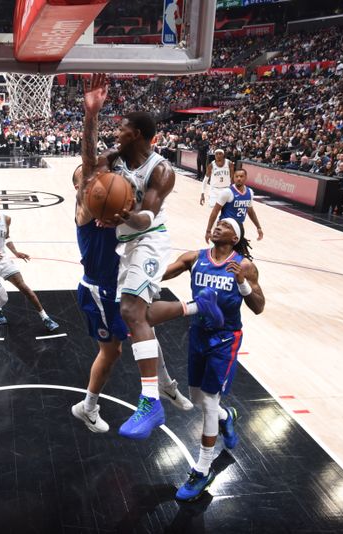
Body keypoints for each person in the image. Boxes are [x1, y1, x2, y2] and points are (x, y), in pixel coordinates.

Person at [80, 73, 181, 440]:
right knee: (140, 316)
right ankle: (196, 309)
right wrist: (90, 115)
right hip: (126, 245)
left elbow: (147, 216)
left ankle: (151, 401)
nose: (117, 134)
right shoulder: (115, 156)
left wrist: (123, 215)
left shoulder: (161, 170)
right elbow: (89, 167)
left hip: (150, 238)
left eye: (121, 129)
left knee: (131, 312)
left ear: (137, 134)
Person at [70, 163, 202, 433]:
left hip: (121, 284)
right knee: (112, 351)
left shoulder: (118, 207)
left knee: (145, 329)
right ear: (79, 188)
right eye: (87, 179)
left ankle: (165, 386)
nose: (97, 181)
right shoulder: (84, 210)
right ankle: (88, 407)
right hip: (100, 292)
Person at [147, 219, 265, 501]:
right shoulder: (194, 258)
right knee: (198, 398)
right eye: (216, 225)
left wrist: (243, 285)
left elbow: (259, 307)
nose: (217, 227)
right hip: (199, 332)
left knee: (209, 403)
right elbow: (159, 276)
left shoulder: (244, 265)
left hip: (225, 339)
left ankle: (202, 470)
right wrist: (137, 268)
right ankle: (228, 417)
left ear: (234, 237)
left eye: (224, 226)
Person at [0, 192, 59, 331]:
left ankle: (45, 317)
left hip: (3, 260)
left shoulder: (6, 219)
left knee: (25, 287)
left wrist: (15, 252)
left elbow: (7, 237)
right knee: (3, 298)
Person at [204, 168, 264, 243]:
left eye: (241, 176)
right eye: (237, 176)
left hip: (238, 226)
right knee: (222, 251)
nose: (239, 178)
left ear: (246, 177)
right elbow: (215, 211)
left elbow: (250, 211)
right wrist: (208, 230)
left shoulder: (250, 192)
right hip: (225, 226)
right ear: (233, 178)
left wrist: (258, 227)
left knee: (239, 252)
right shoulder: (227, 192)